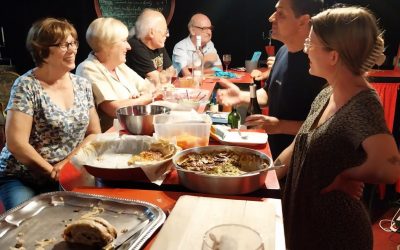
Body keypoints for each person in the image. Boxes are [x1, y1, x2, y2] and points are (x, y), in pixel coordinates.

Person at [275, 6, 400, 249]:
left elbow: (391, 167)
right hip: (305, 224)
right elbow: (300, 142)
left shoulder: (363, 103)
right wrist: (264, 174)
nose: (305, 49)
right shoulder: (327, 94)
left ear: (333, 56)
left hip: (335, 234)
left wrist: (346, 175)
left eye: (311, 43)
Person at [0, 18, 101, 210]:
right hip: (22, 176)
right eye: (64, 45)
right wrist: (52, 172)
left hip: (66, 171)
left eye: (73, 43)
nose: (73, 49)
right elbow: (16, 144)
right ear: (42, 50)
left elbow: (94, 133)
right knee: (27, 225)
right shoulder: (26, 85)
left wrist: (66, 163)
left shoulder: (82, 85)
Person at [217, 0, 326, 159]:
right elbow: (268, 94)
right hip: (274, 153)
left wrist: (280, 126)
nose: (271, 18)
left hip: (302, 162)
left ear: (303, 21)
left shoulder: (317, 63)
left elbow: (325, 126)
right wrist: (243, 96)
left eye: (280, 13)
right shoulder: (283, 52)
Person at [76, 17, 154, 131]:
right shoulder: (87, 68)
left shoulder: (119, 66)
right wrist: (143, 99)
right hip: (110, 136)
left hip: (130, 129)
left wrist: (136, 99)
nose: (129, 46)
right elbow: (115, 109)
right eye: (123, 41)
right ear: (107, 45)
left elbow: (150, 88)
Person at [126, 8, 175, 85]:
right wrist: (163, 75)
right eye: (165, 31)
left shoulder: (158, 44)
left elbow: (173, 73)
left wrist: (162, 76)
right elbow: (156, 80)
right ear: (151, 32)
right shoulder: (135, 46)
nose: (168, 35)